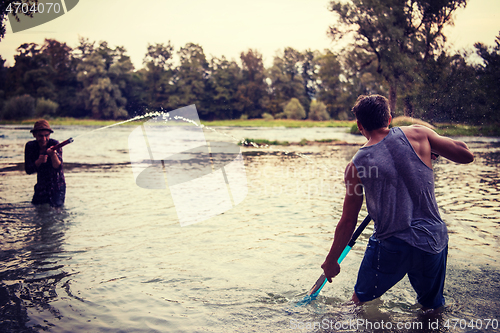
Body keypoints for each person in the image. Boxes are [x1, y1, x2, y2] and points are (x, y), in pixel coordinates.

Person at [321, 95, 474, 310]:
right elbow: (466, 155)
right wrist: (433, 148)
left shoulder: (355, 166)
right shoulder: (419, 134)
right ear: (389, 118)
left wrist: (331, 261)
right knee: (432, 309)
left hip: (390, 246)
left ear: (359, 125)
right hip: (431, 242)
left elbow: (348, 221)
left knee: (357, 306)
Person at [25, 119, 66, 207]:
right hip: (41, 186)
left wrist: (53, 155)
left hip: (57, 186)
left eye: (46, 136)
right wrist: (38, 161)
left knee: (56, 211)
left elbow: (58, 167)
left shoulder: (55, 144)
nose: (44, 139)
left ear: (49, 135)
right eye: (40, 136)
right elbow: (28, 170)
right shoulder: (30, 146)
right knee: (36, 209)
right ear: (34, 135)